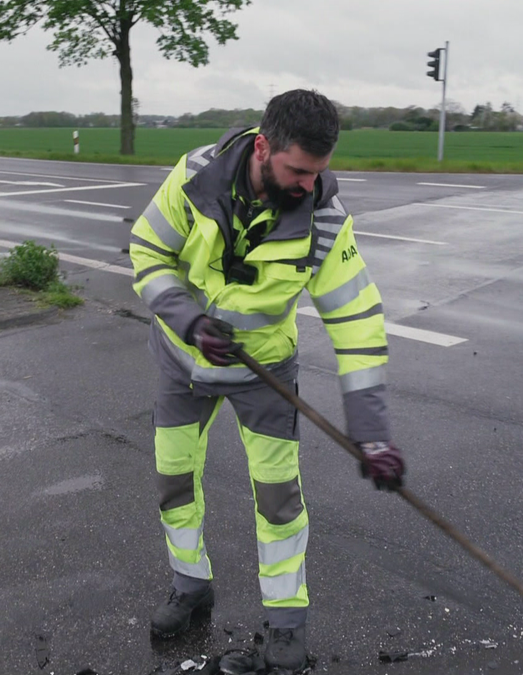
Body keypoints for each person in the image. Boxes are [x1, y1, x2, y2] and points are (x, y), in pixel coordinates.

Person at [129, 89, 406, 671]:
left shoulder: (324, 220)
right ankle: (190, 585)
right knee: (173, 481)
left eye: (319, 172)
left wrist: (372, 432)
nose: (309, 184)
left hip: (264, 374)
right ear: (263, 147)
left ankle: (286, 623)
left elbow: (356, 320)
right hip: (183, 360)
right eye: (299, 170)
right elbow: (148, 252)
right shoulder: (194, 178)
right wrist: (190, 319)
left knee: (279, 500)